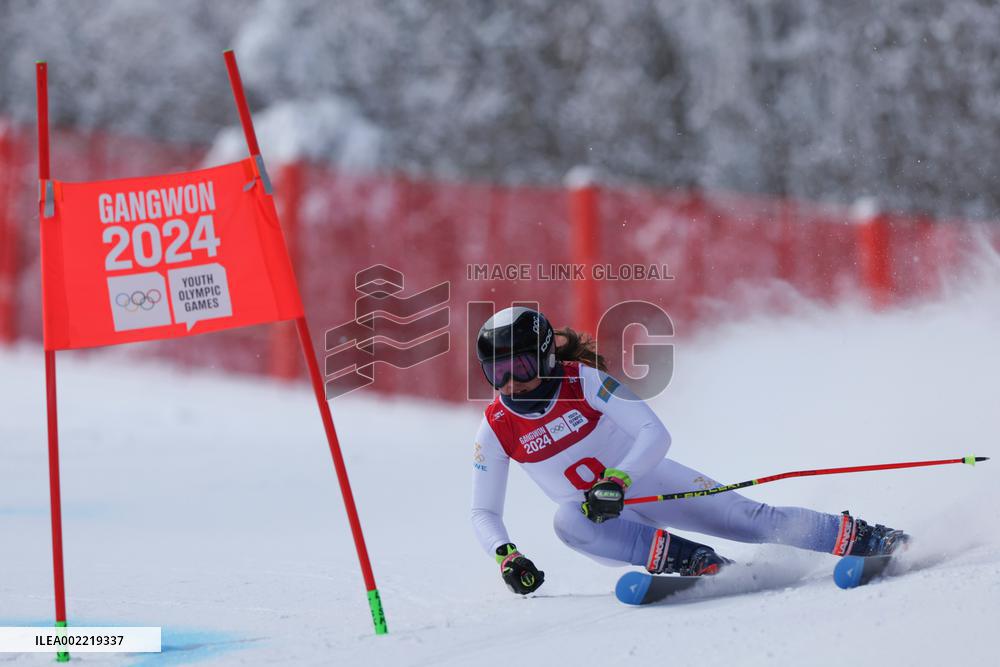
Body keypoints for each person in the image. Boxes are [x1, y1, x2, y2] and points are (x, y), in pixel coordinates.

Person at [471, 306, 908, 595]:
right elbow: (484, 512)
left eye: (521, 366)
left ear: (546, 358)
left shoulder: (581, 380)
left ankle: (869, 538)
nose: (510, 382)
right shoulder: (495, 428)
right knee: (565, 519)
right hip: (603, 521)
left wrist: (619, 479)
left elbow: (653, 433)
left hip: (651, 483)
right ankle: (699, 562)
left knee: (752, 520)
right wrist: (506, 554)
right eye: (497, 371)